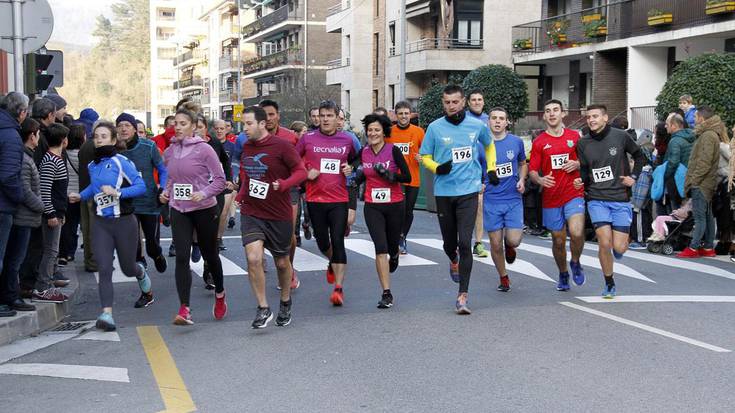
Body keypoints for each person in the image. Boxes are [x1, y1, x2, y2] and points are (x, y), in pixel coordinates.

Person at [419, 85, 497, 314]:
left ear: (463, 102)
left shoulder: (476, 125)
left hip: (469, 191)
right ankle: (452, 259)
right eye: (447, 102)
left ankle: (463, 295)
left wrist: (490, 169)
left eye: (455, 102)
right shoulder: (434, 128)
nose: (451, 106)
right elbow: (425, 156)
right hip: (444, 192)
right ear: (443, 103)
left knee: (465, 242)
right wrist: (437, 168)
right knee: (449, 244)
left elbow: (489, 145)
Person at [69, 121, 153, 331]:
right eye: (96, 136)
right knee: (104, 268)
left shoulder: (122, 162)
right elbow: (94, 189)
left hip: (124, 222)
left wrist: (118, 193)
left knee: (127, 268)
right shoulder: (92, 165)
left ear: (114, 140)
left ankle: (140, 271)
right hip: (100, 223)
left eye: (104, 136)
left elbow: (141, 187)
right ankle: (107, 314)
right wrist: (80, 196)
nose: (99, 140)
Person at [237, 106, 306, 328]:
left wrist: (284, 184)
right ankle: (263, 307)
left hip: (278, 213)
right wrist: (240, 194)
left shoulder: (283, 146)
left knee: (282, 263)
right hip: (252, 211)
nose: (244, 128)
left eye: (248, 124)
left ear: (262, 124)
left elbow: (301, 172)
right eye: (243, 124)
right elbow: (248, 175)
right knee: (254, 258)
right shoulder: (246, 147)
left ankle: (285, 301)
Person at [160, 109, 227, 325]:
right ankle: (185, 308)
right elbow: (171, 178)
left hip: (204, 208)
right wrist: (166, 191)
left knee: (210, 254)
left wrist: (203, 193)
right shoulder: (169, 151)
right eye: (175, 124)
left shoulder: (204, 149)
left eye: (182, 123)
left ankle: (220, 295)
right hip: (179, 209)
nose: (177, 127)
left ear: (192, 126)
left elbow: (220, 180)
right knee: (181, 256)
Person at [575, 104, 646, 298]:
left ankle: (620, 249)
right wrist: (580, 179)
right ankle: (609, 282)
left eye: (595, 116)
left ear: (605, 118)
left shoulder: (620, 136)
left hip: (620, 198)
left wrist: (634, 176)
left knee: (619, 247)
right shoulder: (583, 143)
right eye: (589, 117)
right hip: (597, 199)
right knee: (604, 243)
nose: (591, 120)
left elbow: (640, 156)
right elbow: (585, 170)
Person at [295, 100, 357, 306]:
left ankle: (338, 288)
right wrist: (306, 173)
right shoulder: (307, 139)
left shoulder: (347, 139)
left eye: (330, 116)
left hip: (339, 199)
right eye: (322, 116)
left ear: (337, 117)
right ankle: (332, 261)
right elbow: (293, 163)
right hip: (314, 198)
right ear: (318, 118)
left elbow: (360, 160)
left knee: (338, 241)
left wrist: (351, 168)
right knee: (323, 242)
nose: (326, 119)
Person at [528, 99, 587, 292]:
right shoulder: (539, 142)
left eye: (555, 110)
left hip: (573, 192)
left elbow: (586, 160)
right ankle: (563, 273)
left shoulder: (575, 137)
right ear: (544, 116)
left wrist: (578, 165)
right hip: (551, 197)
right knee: (558, 240)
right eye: (548, 111)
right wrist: (540, 180)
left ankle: (576, 261)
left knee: (577, 232)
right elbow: (533, 171)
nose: (552, 114)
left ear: (563, 114)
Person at [357, 114, 411, 308]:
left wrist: (389, 175)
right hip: (373, 206)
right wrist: (354, 176)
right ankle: (386, 293)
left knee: (390, 246)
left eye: (376, 130)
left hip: (395, 205)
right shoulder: (363, 152)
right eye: (370, 130)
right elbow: (357, 174)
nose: (373, 133)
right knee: (380, 249)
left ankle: (395, 253)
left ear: (384, 132)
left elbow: (407, 176)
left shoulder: (393, 150)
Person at [116, 113, 169, 274]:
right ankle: (140, 262)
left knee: (152, 244)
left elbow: (162, 169)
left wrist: (163, 188)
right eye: (120, 126)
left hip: (149, 202)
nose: (124, 129)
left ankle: (157, 255)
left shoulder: (148, 146)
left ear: (134, 128)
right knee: (133, 242)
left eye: (127, 125)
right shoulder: (114, 149)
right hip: (127, 202)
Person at [483, 107, 527, 292]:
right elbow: (475, 168)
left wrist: (522, 179)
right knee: (494, 243)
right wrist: (480, 184)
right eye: (494, 118)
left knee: (514, 240)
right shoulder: (481, 144)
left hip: (512, 199)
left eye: (501, 118)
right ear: (489, 121)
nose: (498, 121)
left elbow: (523, 163)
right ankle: (504, 277)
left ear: (507, 122)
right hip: (491, 200)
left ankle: (510, 246)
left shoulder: (516, 142)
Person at [260, 99, 301, 289]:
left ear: (278, 116)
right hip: (262, 190)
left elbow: (302, 161)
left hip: (288, 189)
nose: (268, 118)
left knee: (289, 234)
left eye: (271, 114)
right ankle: (277, 263)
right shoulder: (251, 137)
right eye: (264, 115)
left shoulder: (291, 137)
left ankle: (288, 269)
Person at [677, 106, 725, 258]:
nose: (694, 120)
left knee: (700, 216)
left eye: (696, 117)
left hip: (702, 183)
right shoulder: (710, 134)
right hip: (707, 182)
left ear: (702, 118)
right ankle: (708, 247)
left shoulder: (707, 136)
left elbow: (704, 162)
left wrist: (694, 181)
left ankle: (693, 248)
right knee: (707, 215)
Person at [0, 92, 29, 317]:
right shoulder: (10, 135)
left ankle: (8, 297)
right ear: (21, 113)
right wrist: (20, 197)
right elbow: (9, 176)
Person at [36, 123, 70, 301]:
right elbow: (45, 190)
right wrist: (50, 214)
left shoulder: (57, 159)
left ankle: (47, 285)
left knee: (52, 251)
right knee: (50, 251)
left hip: (58, 212)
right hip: (52, 214)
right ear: (63, 140)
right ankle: (43, 287)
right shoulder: (51, 161)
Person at [386, 101, 424, 255]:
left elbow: (427, 151)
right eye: (400, 113)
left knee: (408, 210)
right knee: (397, 210)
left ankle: (402, 237)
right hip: (396, 178)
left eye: (406, 113)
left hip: (413, 178)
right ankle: (394, 237)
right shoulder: (389, 132)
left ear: (410, 114)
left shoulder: (419, 131)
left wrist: (422, 157)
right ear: (396, 115)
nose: (403, 116)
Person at [465, 90, 491, 258]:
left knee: (480, 207)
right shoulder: (464, 119)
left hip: (486, 169)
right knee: (469, 208)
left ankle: (478, 243)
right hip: (467, 169)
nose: (476, 102)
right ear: (468, 103)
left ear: (483, 102)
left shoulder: (489, 119)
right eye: (473, 100)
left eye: (479, 99)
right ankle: (464, 241)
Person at [58, 124, 85, 266]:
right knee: (77, 225)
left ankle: (64, 253)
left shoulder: (63, 154)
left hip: (65, 194)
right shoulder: (82, 155)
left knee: (66, 225)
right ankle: (70, 252)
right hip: (79, 194)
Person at [213, 120, 238, 249]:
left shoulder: (232, 146)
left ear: (226, 130)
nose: (219, 131)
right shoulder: (209, 144)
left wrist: (234, 178)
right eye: (216, 128)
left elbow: (235, 163)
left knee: (223, 213)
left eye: (222, 128)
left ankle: (218, 238)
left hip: (226, 183)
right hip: (210, 183)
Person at [337, 109, 362, 236]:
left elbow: (360, 156)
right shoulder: (321, 138)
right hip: (332, 184)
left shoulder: (350, 137)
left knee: (349, 219)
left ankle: (344, 226)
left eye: (342, 119)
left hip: (349, 181)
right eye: (338, 118)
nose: (339, 122)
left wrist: (351, 167)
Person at [663, 113, 695, 210]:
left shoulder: (675, 141)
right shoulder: (692, 137)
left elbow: (673, 162)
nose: (665, 126)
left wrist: (664, 174)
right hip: (690, 180)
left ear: (674, 125)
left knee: (677, 214)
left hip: (676, 183)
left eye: (667, 124)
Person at [290, 120, 311, 245]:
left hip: (307, 181)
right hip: (294, 183)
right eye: (304, 132)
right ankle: (296, 236)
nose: (306, 134)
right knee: (296, 213)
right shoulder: (290, 146)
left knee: (308, 210)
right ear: (296, 133)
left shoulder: (308, 145)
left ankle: (306, 224)